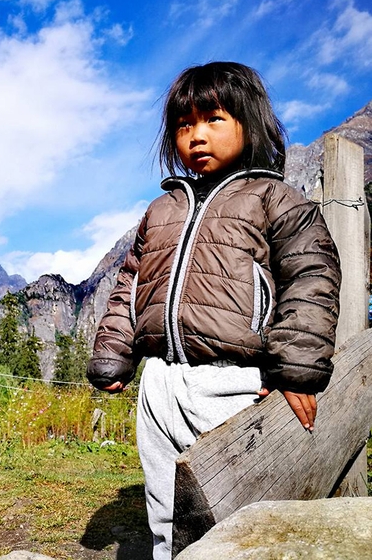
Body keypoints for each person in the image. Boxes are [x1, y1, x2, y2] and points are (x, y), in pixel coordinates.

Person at [87, 61, 341, 560]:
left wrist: (295, 370)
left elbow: (311, 278)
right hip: (159, 382)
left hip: (234, 381)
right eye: (185, 126)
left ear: (250, 123)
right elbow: (130, 285)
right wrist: (114, 354)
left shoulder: (275, 199)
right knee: (164, 506)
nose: (196, 136)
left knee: (237, 509)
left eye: (214, 120)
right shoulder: (160, 211)